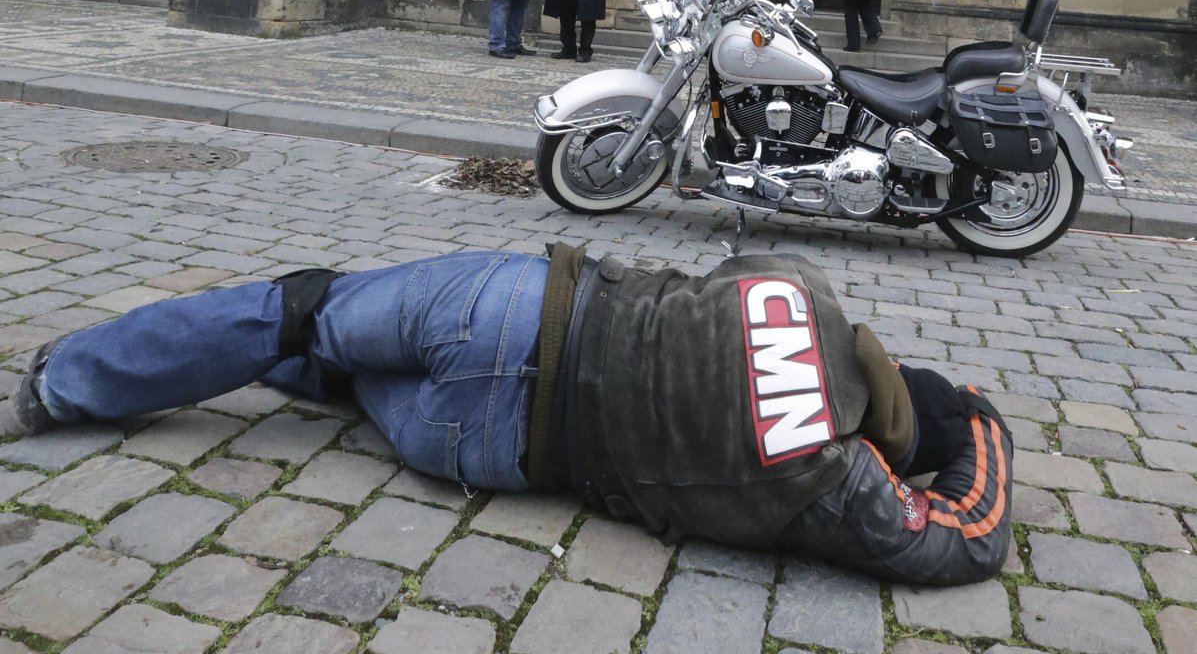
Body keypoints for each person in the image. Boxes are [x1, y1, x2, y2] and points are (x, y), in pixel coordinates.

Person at [11, 242, 1012, 586]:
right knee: (359, 388)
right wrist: (982, 435)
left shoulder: (793, 287)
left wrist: (951, 399)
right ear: (883, 449)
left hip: (507, 303)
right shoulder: (834, 487)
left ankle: (59, 386)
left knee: (303, 309)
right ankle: (314, 371)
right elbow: (962, 544)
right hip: (491, 444)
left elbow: (723, 272)